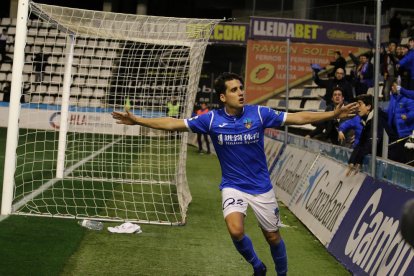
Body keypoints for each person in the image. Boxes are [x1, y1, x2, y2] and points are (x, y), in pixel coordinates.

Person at [112, 72, 358, 275]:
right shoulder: (211, 120)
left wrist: (333, 114)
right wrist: (140, 121)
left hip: (262, 188)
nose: (240, 92)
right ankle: (258, 267)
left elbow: (297, 117)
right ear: (222, 96)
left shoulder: (259, 114)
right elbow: (173, 123)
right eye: (234, 89)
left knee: (272, 237)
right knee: (236, 230)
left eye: (241, 87)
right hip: (233, 185)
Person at [386, 83, 414, 163]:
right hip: (395, 132)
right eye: (391, 86)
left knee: (407, 157)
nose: (392, 87)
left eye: (394, 86)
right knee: (396, 156)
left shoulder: (407, 98)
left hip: (406, 132)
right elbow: (390, 111)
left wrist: (407, 116)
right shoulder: (393, 98)